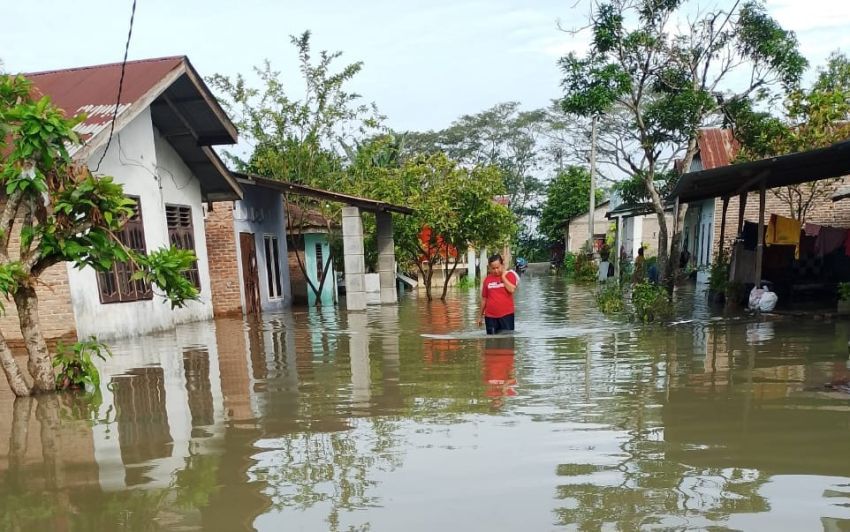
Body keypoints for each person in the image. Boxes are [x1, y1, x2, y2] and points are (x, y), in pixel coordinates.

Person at [477, 254, 518, 335]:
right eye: (493, 268)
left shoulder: (510, 275)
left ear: (502, 265)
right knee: (491, 340)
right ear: (489, 268)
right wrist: (480, 316)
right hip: (490, 317)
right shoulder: (487, 279)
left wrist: (503, 277)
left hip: (506, 315)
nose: (496, 270)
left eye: (497, 267)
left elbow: (512, 289)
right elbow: (484, 299)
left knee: (507, 339)